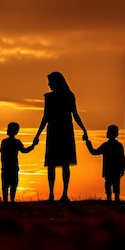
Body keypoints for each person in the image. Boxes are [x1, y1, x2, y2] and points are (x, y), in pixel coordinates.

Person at [33, 71, 89, 202]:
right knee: (54, 163)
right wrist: (38, 134)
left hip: (63, 131)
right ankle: (52, 194)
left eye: (50, 82)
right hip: (56, 131)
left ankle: (64, 194)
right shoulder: (51, 97)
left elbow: (74, 114)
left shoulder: (68, 96)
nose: (49, 85)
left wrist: (84, 129)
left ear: (56, 82)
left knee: (64, 163)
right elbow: (45, 117)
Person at [85, 125, 125, 202]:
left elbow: (94, 152)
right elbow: (94, 152)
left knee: (112, 184)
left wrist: (122, 169)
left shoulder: (112, 145)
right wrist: (88, 144)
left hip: (113, 170)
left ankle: (112, 199)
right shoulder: (115, 145)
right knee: (111, 184)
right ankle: (111, 199)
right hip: (111, 170)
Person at [0, 121, 36, 203]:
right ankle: (10, 201)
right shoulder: (14, 142)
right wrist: (33, 146)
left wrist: (33, 146)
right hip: (10, 167)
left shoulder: (5, 142)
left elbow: (2, 155)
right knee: (11, 185)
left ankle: (9, 201)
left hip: (8, 167)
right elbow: (25, 150)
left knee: (9, 185)